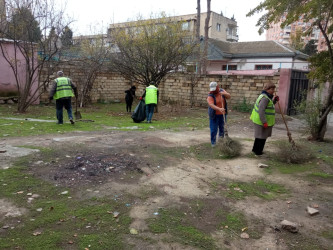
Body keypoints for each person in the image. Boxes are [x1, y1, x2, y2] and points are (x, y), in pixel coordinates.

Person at [250, 82, 279, 155]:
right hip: (261, 120)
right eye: (272, 89)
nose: (273, 91)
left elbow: (268, 106)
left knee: (260, 136)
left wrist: (275, 101)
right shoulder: (265, 98)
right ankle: (258, 152)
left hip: (260, 120)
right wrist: (264, 122)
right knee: (261, 137)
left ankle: (255, 150)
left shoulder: (266, 96)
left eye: (274, 89)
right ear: (267, 89)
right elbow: (261, 110)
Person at [207, 81, 231, 147]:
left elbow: (229, 96)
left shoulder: (222, 91)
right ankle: (213, 143)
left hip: (223, 115)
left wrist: (224, 94)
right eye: (212, 89)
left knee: (222, 129)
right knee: (213, 130)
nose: (213, 91)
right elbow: (211, 105)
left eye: (214, 89)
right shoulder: (210, 95)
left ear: (217, 87)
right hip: (214, 115)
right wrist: (219, 109)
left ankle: (221, 142)